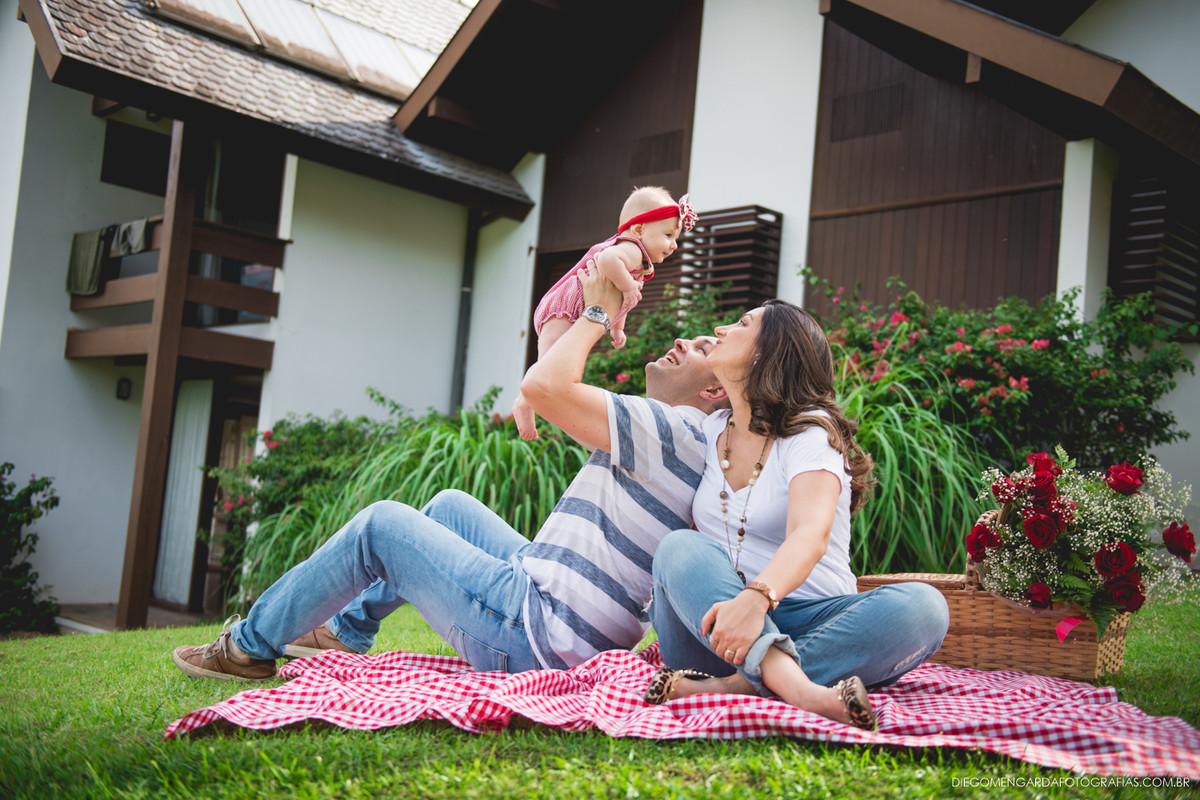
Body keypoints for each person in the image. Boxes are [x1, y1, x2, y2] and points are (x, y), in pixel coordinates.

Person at [172, 264, 728, 680]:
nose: (683, 340)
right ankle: (346, 631)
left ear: (712, 391)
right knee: (448, 506)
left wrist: (599, 311)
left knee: (381, 526)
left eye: (702, 347)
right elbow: (554, 390)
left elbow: (544, 386)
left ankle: (246, 648)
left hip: (537, 638)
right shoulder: (689, 437)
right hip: (569, 623)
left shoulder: (674, 428)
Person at [642, 301, 950, 730]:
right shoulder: (707, 431)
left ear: (768, 353)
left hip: (814, 622)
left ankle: (732, 689)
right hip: (714, 629)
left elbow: (811, 532)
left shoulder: (811, 433)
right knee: (679, 547)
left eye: (742, 323)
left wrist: (758, 598)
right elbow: (644, 412)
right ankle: (803, 692)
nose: (720, 327)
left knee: (925, 607)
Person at [511, 186, 697, 440]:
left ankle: (528, 399)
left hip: (574, 309)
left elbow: (621, 300)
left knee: (554, 360)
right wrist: (629, 286)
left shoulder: (636, 260)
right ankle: (524, 401)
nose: (673, 245)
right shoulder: (630, 249)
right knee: (549, 361)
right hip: (565, 306)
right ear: (639, 229)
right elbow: (608, 260)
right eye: (667, 235)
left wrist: (617, 326)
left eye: (675, 239)